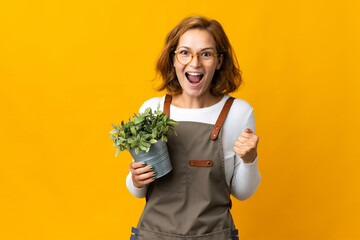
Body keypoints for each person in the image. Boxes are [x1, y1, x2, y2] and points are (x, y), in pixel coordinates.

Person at [126, 15, 261, 240]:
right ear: (173, 59)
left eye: (206, 54)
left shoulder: (238, 112)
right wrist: (136, 179)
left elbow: (242, 193)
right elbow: (137, 191)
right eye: (185, 53)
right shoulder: (152, 110)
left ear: (219, 62)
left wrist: (250, 159)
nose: (194, 63)